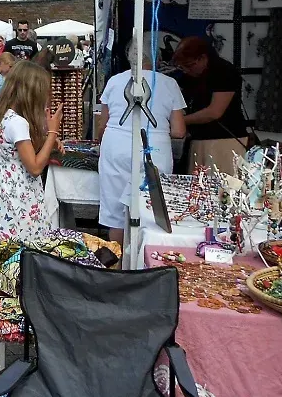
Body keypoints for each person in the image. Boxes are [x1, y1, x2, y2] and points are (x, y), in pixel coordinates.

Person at [95, 35, 187, 243]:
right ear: (155, 57)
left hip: (115, 146)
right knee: (153, 212)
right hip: (155, 148)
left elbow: (103, 124)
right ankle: (146, 268)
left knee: (116, 215)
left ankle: (117, 268)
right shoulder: (169, 83)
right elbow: (179, 131)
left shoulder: (114, 81)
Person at [0, 61, 62, 246]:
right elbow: (34, 167)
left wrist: (46, 137)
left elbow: (14, 150)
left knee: (11, 248)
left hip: (4, 195)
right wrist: (52, 132)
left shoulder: (2, 114)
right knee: (26, 248)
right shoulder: (18, 123)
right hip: (20, 197)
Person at [171, 36, 248, 176]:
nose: (187, 70)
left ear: (203, 58)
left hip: (224, 141)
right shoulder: (188, 78)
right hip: (198, 140)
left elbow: (214, 112)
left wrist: (179, 121)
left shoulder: (224, 71)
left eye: (189, 65)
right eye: (182, 67)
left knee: (223, 188)